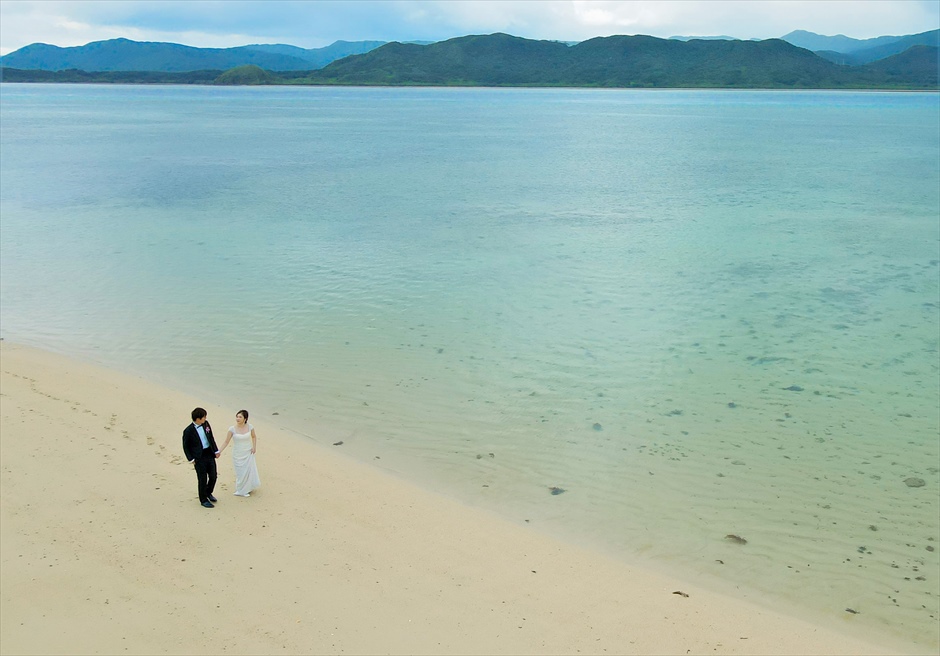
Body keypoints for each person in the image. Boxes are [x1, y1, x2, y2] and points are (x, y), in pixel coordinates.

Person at [182, 407, 220, 508]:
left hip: (209, 453)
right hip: (198, 457)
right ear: (198, 419)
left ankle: (208, 492)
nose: (205, 419)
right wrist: (191, 459)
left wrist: (216, 450)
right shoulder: (188, 430)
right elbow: (186, 446)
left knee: (213, 476)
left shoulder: (206, 424)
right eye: (203, 417)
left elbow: (211, 437)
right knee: (202, 479)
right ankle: (203, 499)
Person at [219, 409, 261, 497]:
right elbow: (226, 441)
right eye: (237, 417)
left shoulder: (250, 427)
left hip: (248, 452)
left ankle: (247, 489)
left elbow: (253, 437)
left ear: (245, 418)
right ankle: (240, 490)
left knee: (248, 471)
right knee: (240, 472)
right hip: (238, 453)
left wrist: (254, 447)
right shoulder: (232, 429)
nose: (238, 419)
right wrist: (219, 451)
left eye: (240, 417)